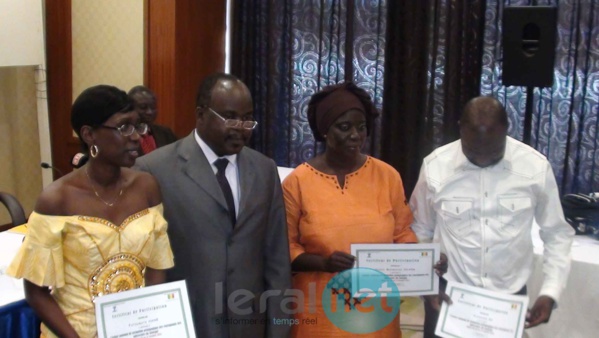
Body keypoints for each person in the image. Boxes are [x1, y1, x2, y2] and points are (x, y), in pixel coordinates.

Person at [7, 85, 174, 338]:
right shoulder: (56, 200)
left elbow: (157, 264)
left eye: (137, 126)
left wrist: (146, 322)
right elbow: (36, 293)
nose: (136, 137)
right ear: (89, 135)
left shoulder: (146, 187)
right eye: (123, 127)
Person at [134, 73, 292, 338]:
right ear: (201, 114)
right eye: (230, 118)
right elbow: (143, 262)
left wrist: (279, 330)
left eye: (247, 119)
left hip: (249, 325)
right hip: (187, 323)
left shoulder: (264, 170)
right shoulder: (154, 170)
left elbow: (276, 260)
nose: (241, 128)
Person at [409, 96, 575, 337]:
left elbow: (557, 234)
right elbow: (419, 229)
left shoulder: (534, 167)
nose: (483, 160)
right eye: (473, 152)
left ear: (507, 131)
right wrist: (426, 283)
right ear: (460, 130)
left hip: (508, 300)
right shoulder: (436, 166)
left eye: (494, 152)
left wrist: (550, 292)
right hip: (447, 296)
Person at [282, 82, 420, 337]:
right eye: (344, 127)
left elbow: (403, 234)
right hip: (319, 310)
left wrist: (423, 263)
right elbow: (286, 246)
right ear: (325, 130)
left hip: (376, 310)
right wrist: (324, 263)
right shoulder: (298, 182)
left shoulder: (387, 176)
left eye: (361, 127)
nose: (355, 135)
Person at [128, 85, 177, 155]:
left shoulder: (166, 133)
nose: (150, 112)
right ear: (130, 108)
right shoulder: (124, 136)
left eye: (153, 107)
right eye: (143, 107)